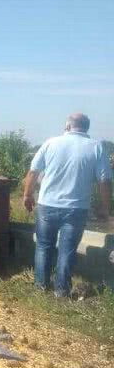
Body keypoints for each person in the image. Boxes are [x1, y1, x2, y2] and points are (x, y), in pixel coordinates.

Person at [23, 113, 112, 298]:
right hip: (76, 208)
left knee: (43, 246)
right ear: (86, 127)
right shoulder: (97, 147)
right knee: (67, 250)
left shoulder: (51, 143)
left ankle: (40, 287)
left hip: (47, 204)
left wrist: (27, 195)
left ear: (67, 126)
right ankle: (61, 291)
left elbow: (33, 172)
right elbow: (104, 181)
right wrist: (105, 207)